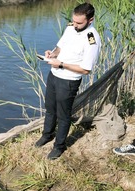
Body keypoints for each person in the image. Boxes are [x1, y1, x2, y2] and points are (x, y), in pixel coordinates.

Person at [35, 2, 101, 160]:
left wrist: (62, 64)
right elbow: (60, 47)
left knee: (63, 115)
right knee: (50, 108)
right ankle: (47, 135)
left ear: (90, 20)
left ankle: (59, 146)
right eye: (74, 21)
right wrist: (53, 54)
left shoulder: (92, 39)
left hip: (69, 81)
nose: (75, 25)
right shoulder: (71, 28)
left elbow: (86, 69)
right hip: (54, 75)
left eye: (79, 23)